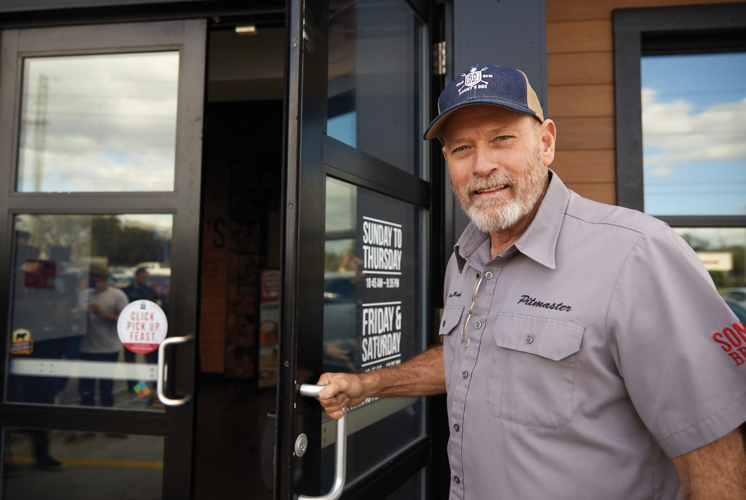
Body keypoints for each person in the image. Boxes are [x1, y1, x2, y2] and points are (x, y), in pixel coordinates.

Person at [315, 64, 746, 499]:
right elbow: (468, 358)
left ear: (545, 142)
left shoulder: (638, 254)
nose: (482, 165)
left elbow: (716, 462)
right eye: (462, 148)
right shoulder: (465, 259)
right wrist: (368, 386)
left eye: (502, 138)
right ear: (447, 161)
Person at [77, 263, 129, 408]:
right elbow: (77, 318)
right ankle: (88, 423)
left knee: (106, 389)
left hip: (108, 349)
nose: (88, 279)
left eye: (91, 276)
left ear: (100, 277)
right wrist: (79, 316)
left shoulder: (117, 295)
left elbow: (126, 320)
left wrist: (103, 314)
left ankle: (107, 421)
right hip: (86, 348)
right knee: (86, 390)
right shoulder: (85, 294)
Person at [122, 267, 159, 400]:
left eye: (146, 277)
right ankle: (137, 389)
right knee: (131, 361)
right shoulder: (127, 291)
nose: (145, 280)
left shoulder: (149, 291)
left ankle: (153, 389)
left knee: (150, 361)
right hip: (131, 329)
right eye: (143, 277)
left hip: (147, 330)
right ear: (137, 276)